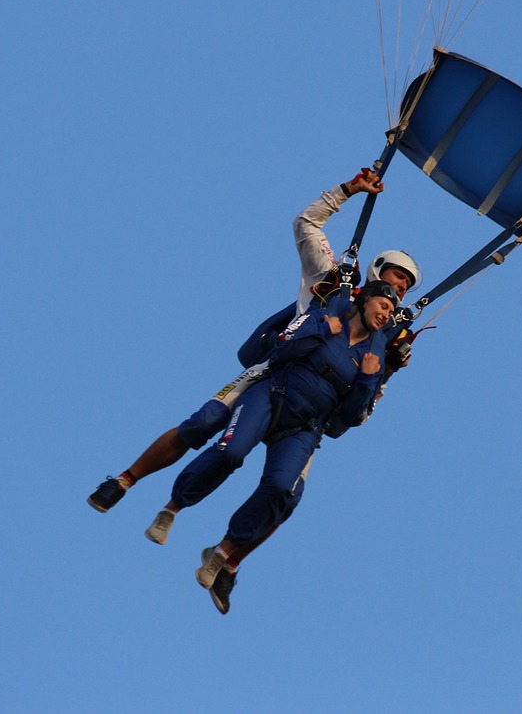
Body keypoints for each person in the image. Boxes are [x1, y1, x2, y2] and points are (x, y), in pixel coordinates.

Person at [85, 170, 420, 525]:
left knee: (286, 490)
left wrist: (389, 370)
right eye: (398, 276)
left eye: (407, 285)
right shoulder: (333, 278)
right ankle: (124, 481)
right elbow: (306, 224)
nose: (400, 287)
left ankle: (224, 554)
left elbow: (366, 401)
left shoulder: (389, 335)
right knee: (205, 422)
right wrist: (349, 190)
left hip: (312, 406)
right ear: (378, 268)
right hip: (275, 373)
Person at [169, 280, 400, 597]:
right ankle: (174, 505)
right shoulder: (327, 315)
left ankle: (222, 552)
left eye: (392, 310)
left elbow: (350, 418)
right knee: (230, 452)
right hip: (273, 394)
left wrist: (369, 378)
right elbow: (283, 347)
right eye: (383, 306)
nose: (386, 314)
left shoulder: (375, 358)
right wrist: (322, 331)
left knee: (283, 490)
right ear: (365, 301)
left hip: (304, 426)